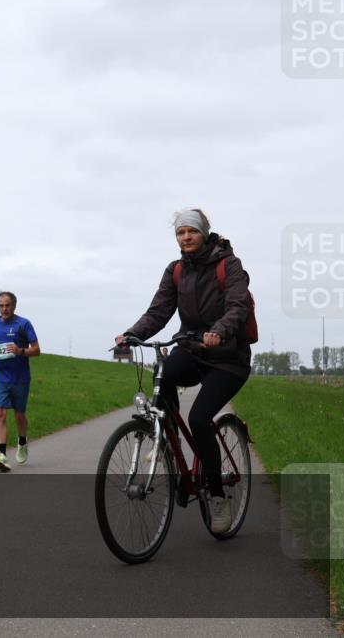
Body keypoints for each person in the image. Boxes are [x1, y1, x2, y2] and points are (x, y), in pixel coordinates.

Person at [116, 208, 252, 534]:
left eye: (191, 231)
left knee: (199, 418)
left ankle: (218, 495)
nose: (186, 237)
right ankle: (170, 449)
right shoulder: (176, 270)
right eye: (180, 233)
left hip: (227, 358)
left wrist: (219, 329)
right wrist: (133, 333)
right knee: (163, 376)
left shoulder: (228, 265)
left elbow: (238, 306)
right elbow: (159, 310)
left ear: (204, 232)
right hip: (191, 348)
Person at [0, 291, 40, 471]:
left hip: (20, 377)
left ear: (14, 306)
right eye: (1, 305)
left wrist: (20, 351)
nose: (4, 309)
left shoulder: (23, 324)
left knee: (19, 415)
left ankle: (22, 441)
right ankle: (1, 454)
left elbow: (37, 350)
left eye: (7, 305)